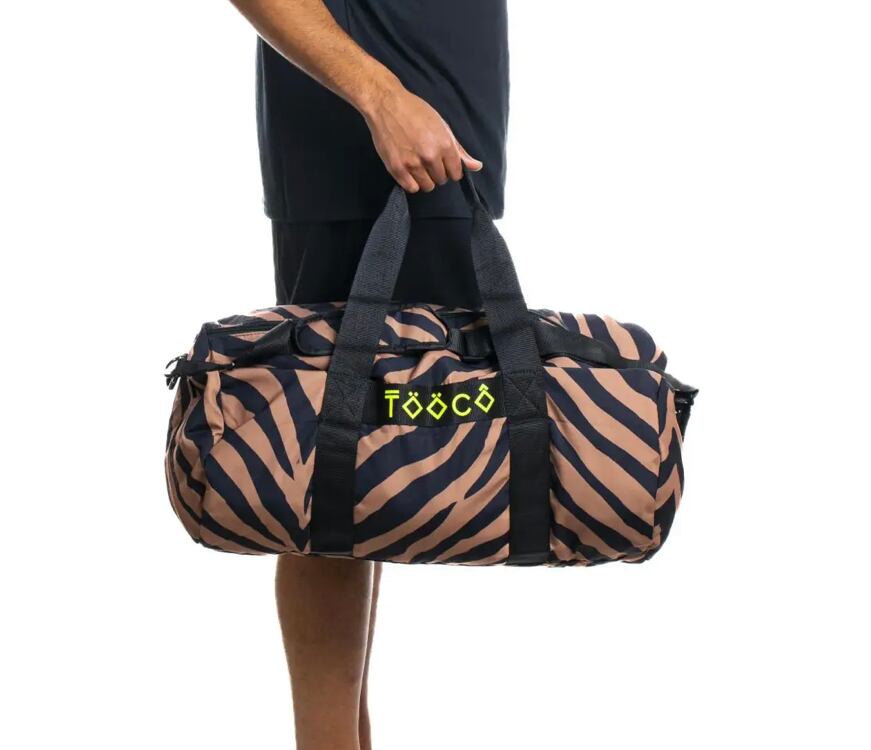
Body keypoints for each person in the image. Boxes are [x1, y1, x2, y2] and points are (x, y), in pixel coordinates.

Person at [227, 2, 509, 748]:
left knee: (362, 473)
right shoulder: (381, 109)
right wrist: (381, 98)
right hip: (372, 146)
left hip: (438, 145)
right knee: (332, 473)